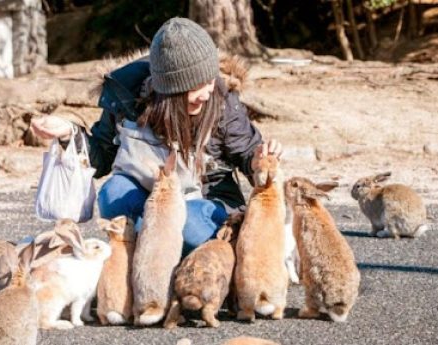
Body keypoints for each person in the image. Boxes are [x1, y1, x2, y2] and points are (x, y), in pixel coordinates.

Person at [31, 17, 282, 253]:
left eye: (210, 81)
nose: (207, 92)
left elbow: (247, 152)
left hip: (204, 199)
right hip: (151, 193)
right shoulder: (127, 98)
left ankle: (176, 250)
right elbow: (101, 157)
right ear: (169, 90)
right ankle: (148, 249)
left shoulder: (221, 100)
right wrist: (69, 134)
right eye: (195, 86)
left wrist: (259, 159)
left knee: (186, 225)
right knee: (113, 195)